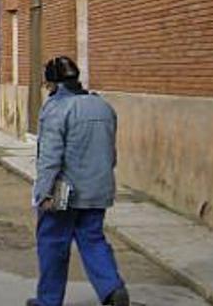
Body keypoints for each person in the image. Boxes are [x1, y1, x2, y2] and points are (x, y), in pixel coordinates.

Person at [26, 56, 129, 306]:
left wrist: (42, 192)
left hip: (64, 192)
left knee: (52, 244)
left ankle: (49, 301)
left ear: (54, 84)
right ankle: (112, 289)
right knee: (92, 239)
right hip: (98, 188)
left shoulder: (56, 109)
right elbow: (110, 153)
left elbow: (50, 156)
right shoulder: (103, 106)